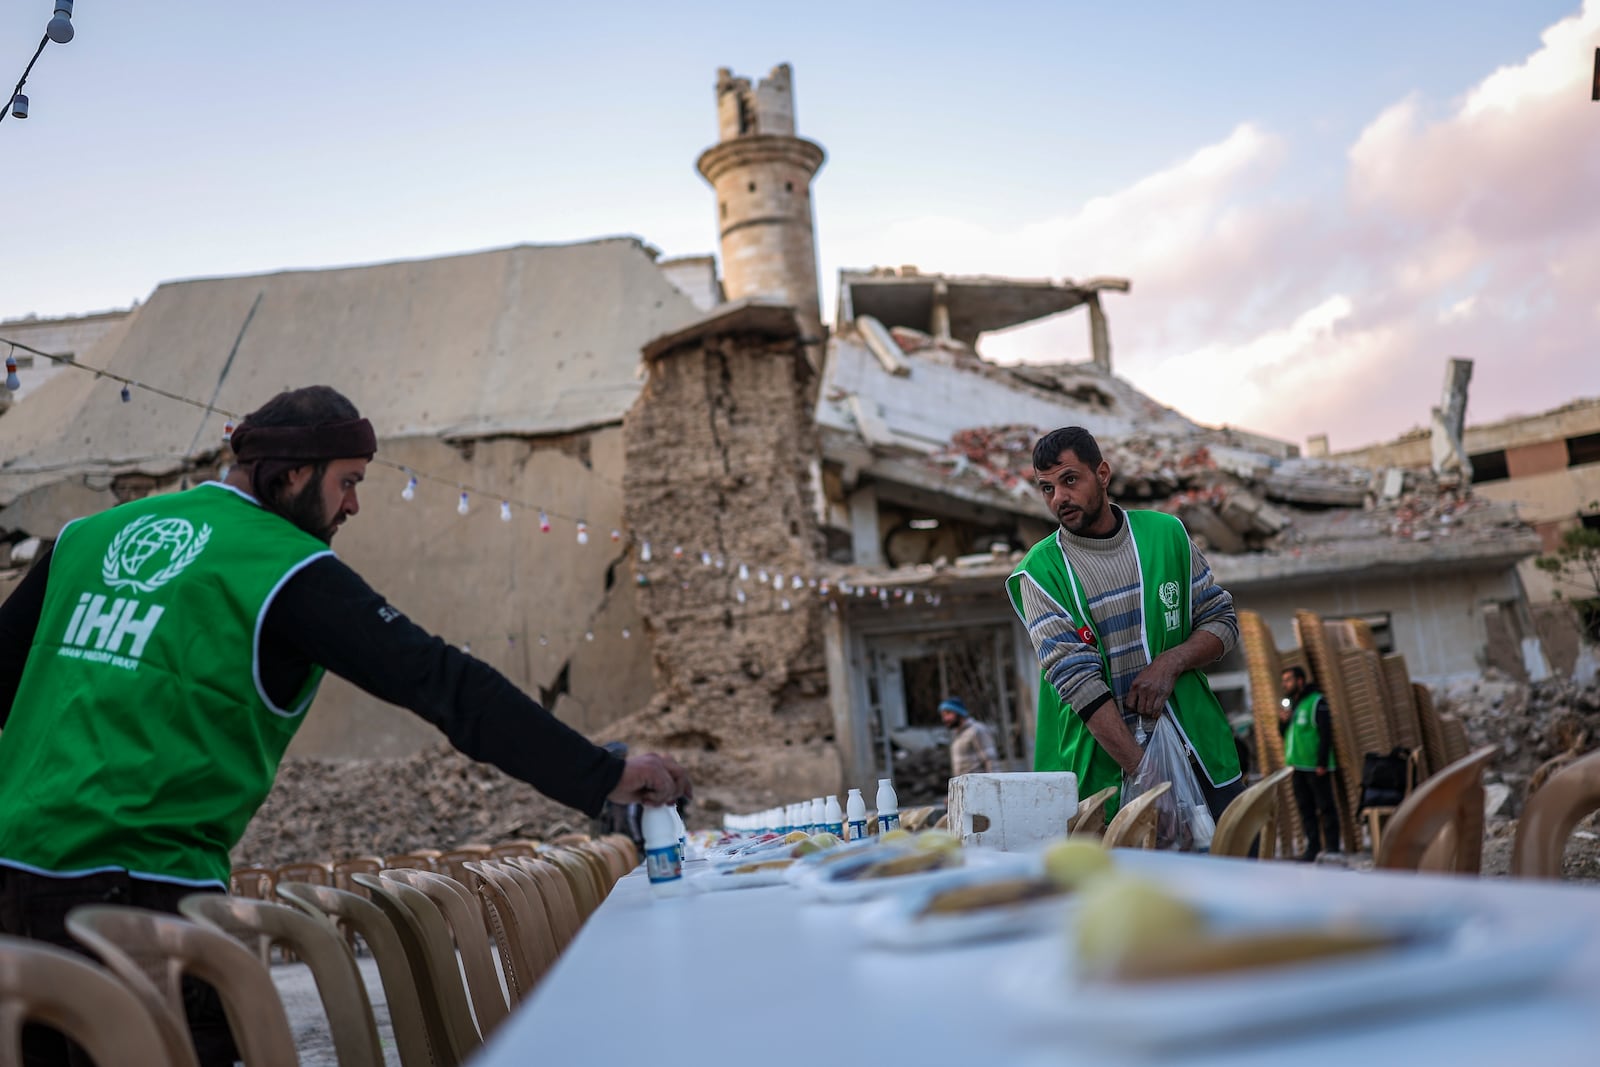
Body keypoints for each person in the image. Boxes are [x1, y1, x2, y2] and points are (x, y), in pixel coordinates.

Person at [0, 385, 690, 1066]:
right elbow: (442, 681)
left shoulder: (85, 540)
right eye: (348, 482)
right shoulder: (284, 564)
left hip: (12, 887)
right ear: (292, 473)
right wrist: (604, 774)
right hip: (142, 898)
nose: (354, 504)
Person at [1004, 426, 1243, 827]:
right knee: (1135, 889)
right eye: (1047, 489)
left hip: (1198, 750)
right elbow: (1078, 682)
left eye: (1069, 480)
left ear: (1102, 474)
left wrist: (1171, 661)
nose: (1059, 498)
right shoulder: (1039, 574)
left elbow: (1222, 620)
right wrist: (1146, 776)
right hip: (1105, 777)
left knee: (1231, 877)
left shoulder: (1166, 536)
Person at [1279, 665, 1341, 861]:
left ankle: (1332, 848)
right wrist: (1282, 722)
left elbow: (1326, 734)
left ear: (1300, 681)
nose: (1285, 684)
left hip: (1316, 767)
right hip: (1297, 767)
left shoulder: (1316, 702)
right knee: (1305, 810)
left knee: (1325, 807)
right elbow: (1286, 735)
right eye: (1284, 680)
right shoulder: (1293, 705)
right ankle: (1312, 849)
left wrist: (1321, 763)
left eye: (1288, 680)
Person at [940, 696, 998, 777]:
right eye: (943, 715)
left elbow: (990, 761)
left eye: (948, 713)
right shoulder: (957, 735)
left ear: (959, 712)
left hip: (979, 785)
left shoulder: (976, 730)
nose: (945, 719)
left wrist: (993, 786)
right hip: (964, 786)